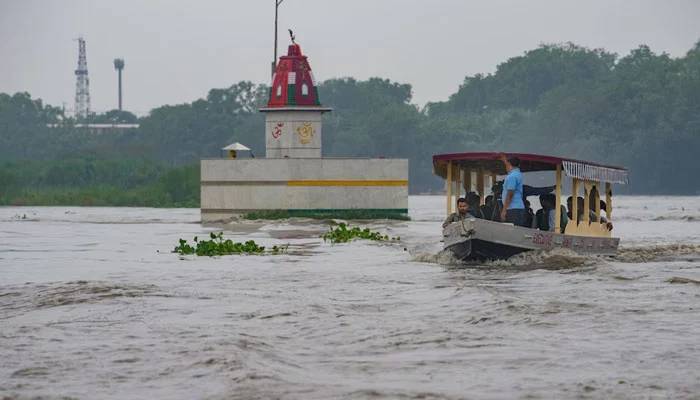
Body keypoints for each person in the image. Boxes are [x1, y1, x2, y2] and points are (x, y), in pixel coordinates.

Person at [498, 154, 527, 226]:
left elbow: (510, 194)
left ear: (509, 164)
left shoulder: (512, 176)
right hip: (517, 209)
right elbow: (509, 167)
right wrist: (505, 160)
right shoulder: (516, 173)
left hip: (513, 209)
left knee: (511, 232)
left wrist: (504, 210)